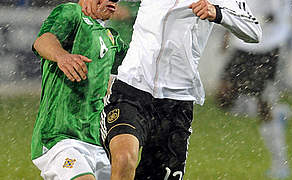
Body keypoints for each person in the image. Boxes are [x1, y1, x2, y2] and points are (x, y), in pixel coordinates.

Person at [82, 0, 262, 179]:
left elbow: (254, 31)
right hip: (132, 88)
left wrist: (217, 12)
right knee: (124, 158)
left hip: (176, 103)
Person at [30, 0, 128, 179]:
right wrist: (62, 57)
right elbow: (42, 41)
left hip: (98, 143)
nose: (114, 1)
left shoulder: (112, 38)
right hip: (60, 138)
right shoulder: (72, 12)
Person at [215, 0, 292, 178]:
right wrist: (228, 31)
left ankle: (280, 165)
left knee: (264, 106)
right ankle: (278, 113)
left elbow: (274, 15)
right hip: (243, 45)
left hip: (268, 46)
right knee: (223, 98)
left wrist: (246, 20)